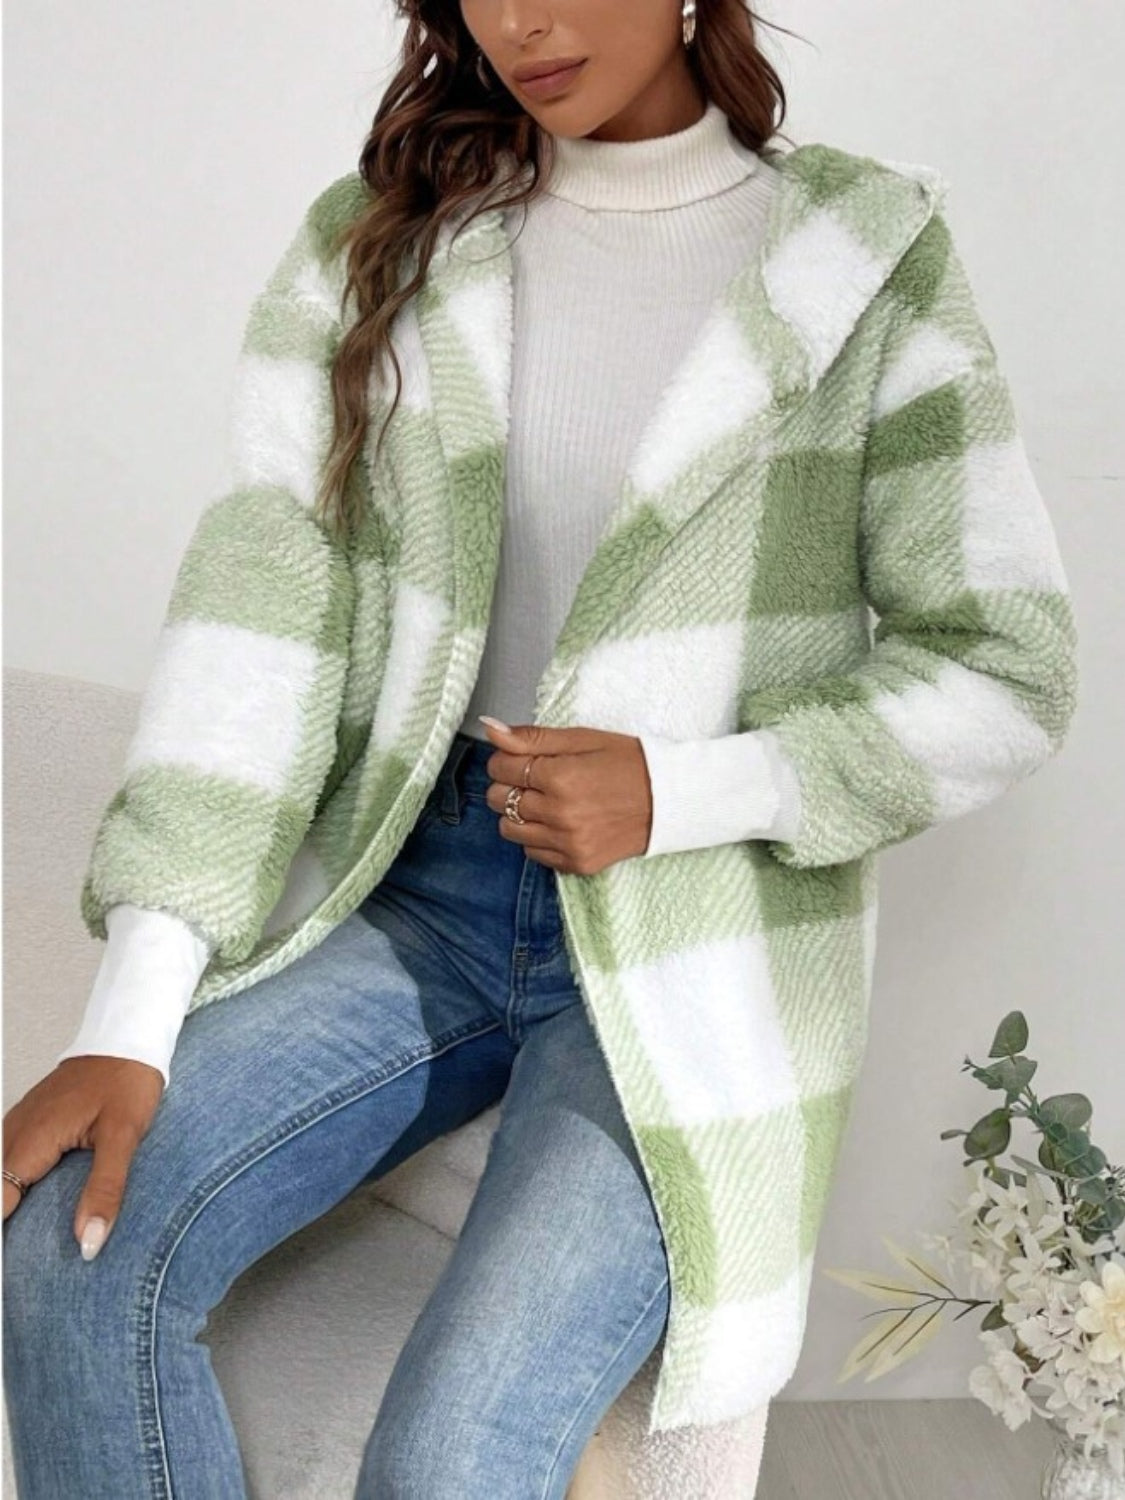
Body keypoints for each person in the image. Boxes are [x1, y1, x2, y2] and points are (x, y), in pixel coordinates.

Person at [2, 1, 1078, 1496]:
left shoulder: (859, 260)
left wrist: (682, 787)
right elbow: (261, 616)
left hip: (691, 934)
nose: (521, 22)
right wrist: (128, 1016)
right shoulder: (387, 241)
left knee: (450, 1458)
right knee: (70, 1250)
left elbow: (1007, 667)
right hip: (419, 893)